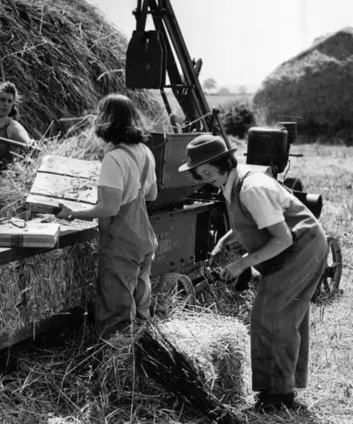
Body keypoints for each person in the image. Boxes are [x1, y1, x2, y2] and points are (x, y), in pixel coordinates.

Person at [178, 134, 328, 412]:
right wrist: (223, 242)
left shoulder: (252, 187)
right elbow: (250, 220)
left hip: (301, 247)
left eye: (207, 172)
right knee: (281, 318)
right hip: (294, 246)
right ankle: (281, 388)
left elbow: (282, 238)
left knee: (272, 317)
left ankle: (277, 397)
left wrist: (240, 264)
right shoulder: (231, 182)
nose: (203, 178)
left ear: (223, 162)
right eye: (199, 175)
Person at [56, 94, 158, 340]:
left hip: (121, 242)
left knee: (116, 313)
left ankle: (118, 367)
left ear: (106, 121)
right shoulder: (144, 151)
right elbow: (152, 195)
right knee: (141, 305)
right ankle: (145, 354)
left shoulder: (115, 158)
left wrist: (74, 212)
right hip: (143, 238)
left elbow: (110, 208)